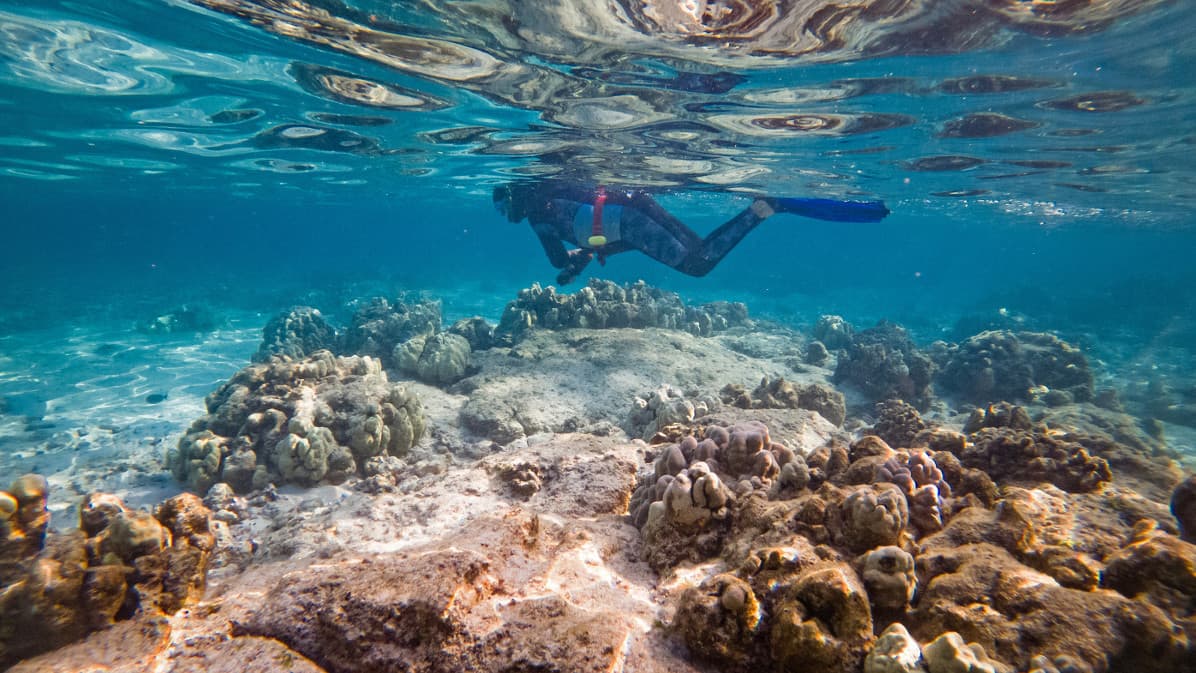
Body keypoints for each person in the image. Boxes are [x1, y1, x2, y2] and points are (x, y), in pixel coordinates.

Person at [493, 182, 889, 285]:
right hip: (637, 209)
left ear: (515, 198)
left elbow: (559, 259)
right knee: (699, 251)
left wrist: (571, 266)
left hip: (629, 220)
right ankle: (764, 208)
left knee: (697, 265)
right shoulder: (551, 195)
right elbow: (613, 237)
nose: (505, 213)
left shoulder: (537, 213)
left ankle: (765, 208)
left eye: (502, 205)